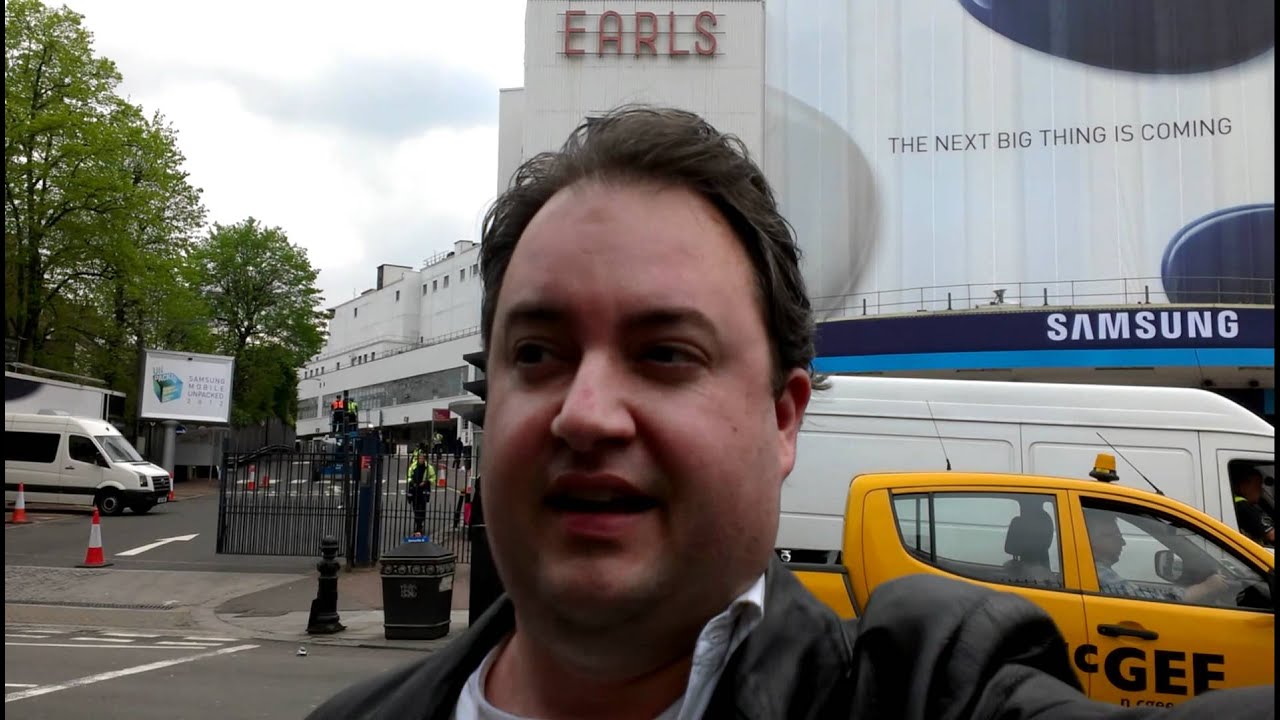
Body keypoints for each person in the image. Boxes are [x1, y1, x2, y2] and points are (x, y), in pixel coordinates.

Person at [307, 106, 1271, 719]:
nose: (586, 414)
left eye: (665, 354)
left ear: (784, 419)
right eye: (537, 354)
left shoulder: (930, 693)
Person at [1085, 510, 1231, 604]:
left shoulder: (1092, 571)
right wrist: (1206, 588)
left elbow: (1139, 593)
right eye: (1113, 536)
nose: (1122, 542)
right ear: (1088, 539)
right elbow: (1147, 602)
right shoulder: (1099, 574)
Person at [1232, 467, 1276, 546]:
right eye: (1257, 485)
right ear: (1243, 485)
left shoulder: (1235, 502)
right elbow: (1272, 535)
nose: (1261, 490)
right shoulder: (1244, 506)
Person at [406, 449, 434, 536]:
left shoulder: (429, 468)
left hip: (424, 489)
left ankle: (419, 526)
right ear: (417, 459)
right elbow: (409, 476)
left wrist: (425, 482)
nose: (421, 460)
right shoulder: (413, 466)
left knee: (422, 508)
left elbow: (433, 478)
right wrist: (413, 482)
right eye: (420, 458)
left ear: (425, 459)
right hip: (414, 489)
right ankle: (418, 524)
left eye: (422, 458)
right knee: (415, 508)